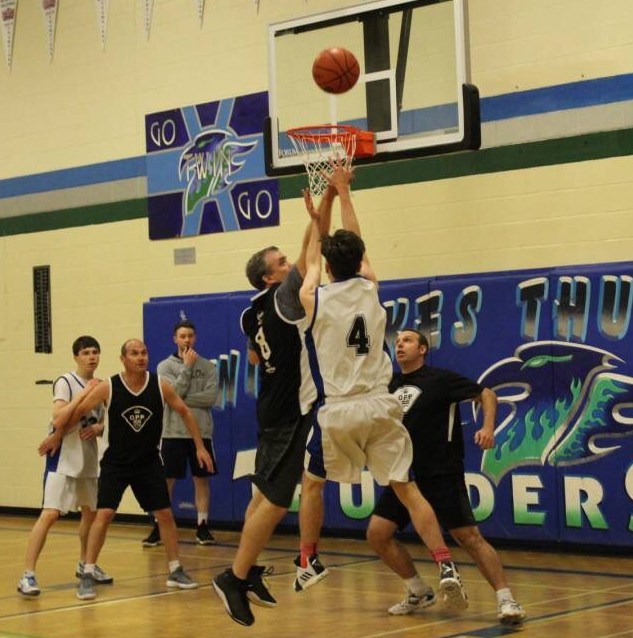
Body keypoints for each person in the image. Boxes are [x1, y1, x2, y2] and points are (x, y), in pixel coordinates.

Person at [298, 166, 469, 611]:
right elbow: (356, 245)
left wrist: (321, 213)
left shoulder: (315, 298)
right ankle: (445, 561)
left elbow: (314, 260)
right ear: (359, 262)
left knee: (312, 484)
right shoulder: (372, 289)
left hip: (340, 410)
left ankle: (307, 560)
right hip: (381, 403)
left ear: (331, 265)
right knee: (407, 490)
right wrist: (344, 192)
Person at [212, 186, 337, 627]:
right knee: (279, 500)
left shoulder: (252, 311)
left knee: (265, 494)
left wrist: (318, 212)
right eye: (281, 264)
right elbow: (314, 252)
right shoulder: (284, 298)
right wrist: (328, 202)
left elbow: (251, 354)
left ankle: (246, 572)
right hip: (289, 409)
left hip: (273, 404)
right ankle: (235, 576)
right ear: (270, 278)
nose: (289, 266)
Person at [366, 328, 527, 625]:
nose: (400, 344)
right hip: (403, 475)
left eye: (408, 340)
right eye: (398, 341)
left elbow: (487, 394)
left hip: (441, 471)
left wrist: (488, 427)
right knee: (377, 534)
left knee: (468, 536)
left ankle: (506, 598)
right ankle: (418, 590)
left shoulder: (440, 379)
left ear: (423, 349)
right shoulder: (388, 383)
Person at [38, 338, 213, 601]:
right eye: (134, 353)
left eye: (144, 352)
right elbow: (76, 413)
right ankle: (87, 572)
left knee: (165, 515)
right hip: (116, 463)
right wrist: (56, 434)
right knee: (104, 514)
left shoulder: (159, 385)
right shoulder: (109, 386)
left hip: (148, 462)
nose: (141, 357)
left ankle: (175, 570)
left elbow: (185, 412)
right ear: (123, 359)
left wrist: (200, 447)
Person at [17, 336, 112, 597]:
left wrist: (98, 427)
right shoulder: (66, 382)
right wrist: (83, 395)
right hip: (63, 458)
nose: (91, 356)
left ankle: (85, 564)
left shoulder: (103, 385)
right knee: (50, 514)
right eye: (86, 353)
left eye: (95, 352)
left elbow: (106, 421)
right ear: (76, 357)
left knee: (90, 513)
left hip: (88, 459)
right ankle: (28, 574)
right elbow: (59, 418)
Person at [142, 319, 219, 548]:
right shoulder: (165, 367)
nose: (186, 340)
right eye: (182, 336)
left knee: (201, 480)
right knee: (166, 481)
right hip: (173, 433)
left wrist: (180, 400)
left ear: (195, 338)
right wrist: (186, 368)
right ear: (175, 339)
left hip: (201, 432)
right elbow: (169, 395)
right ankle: (159, 525)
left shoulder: (208, 366)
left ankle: (202, 526)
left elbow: (210, 398)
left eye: (190, 336)